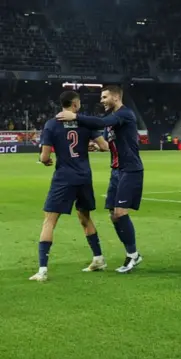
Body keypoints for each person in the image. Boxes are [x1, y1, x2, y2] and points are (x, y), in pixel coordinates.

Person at [56, 85, 145, 273]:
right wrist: (96, 147)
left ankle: (133, 255)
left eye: (105, 97)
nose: (102, 100)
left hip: (130, 170)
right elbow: (109, 142)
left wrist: (76, 117)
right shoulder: (113, 121)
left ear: (115, 97)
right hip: (116, 171)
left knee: (121, 213)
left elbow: (100, 123)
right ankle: (133, 254)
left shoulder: (124, 114)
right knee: (113, 215)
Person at [30, 91, 109, 282]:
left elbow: (45, 156)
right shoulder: (85, 122)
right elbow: (105, 146)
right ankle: (98, 258)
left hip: (64, 177)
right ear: (75, 104)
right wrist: (92, 146)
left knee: (49, 220)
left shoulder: (51, 124)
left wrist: (45, 161)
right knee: (84, 216)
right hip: (84, 176)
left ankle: (42, 270)